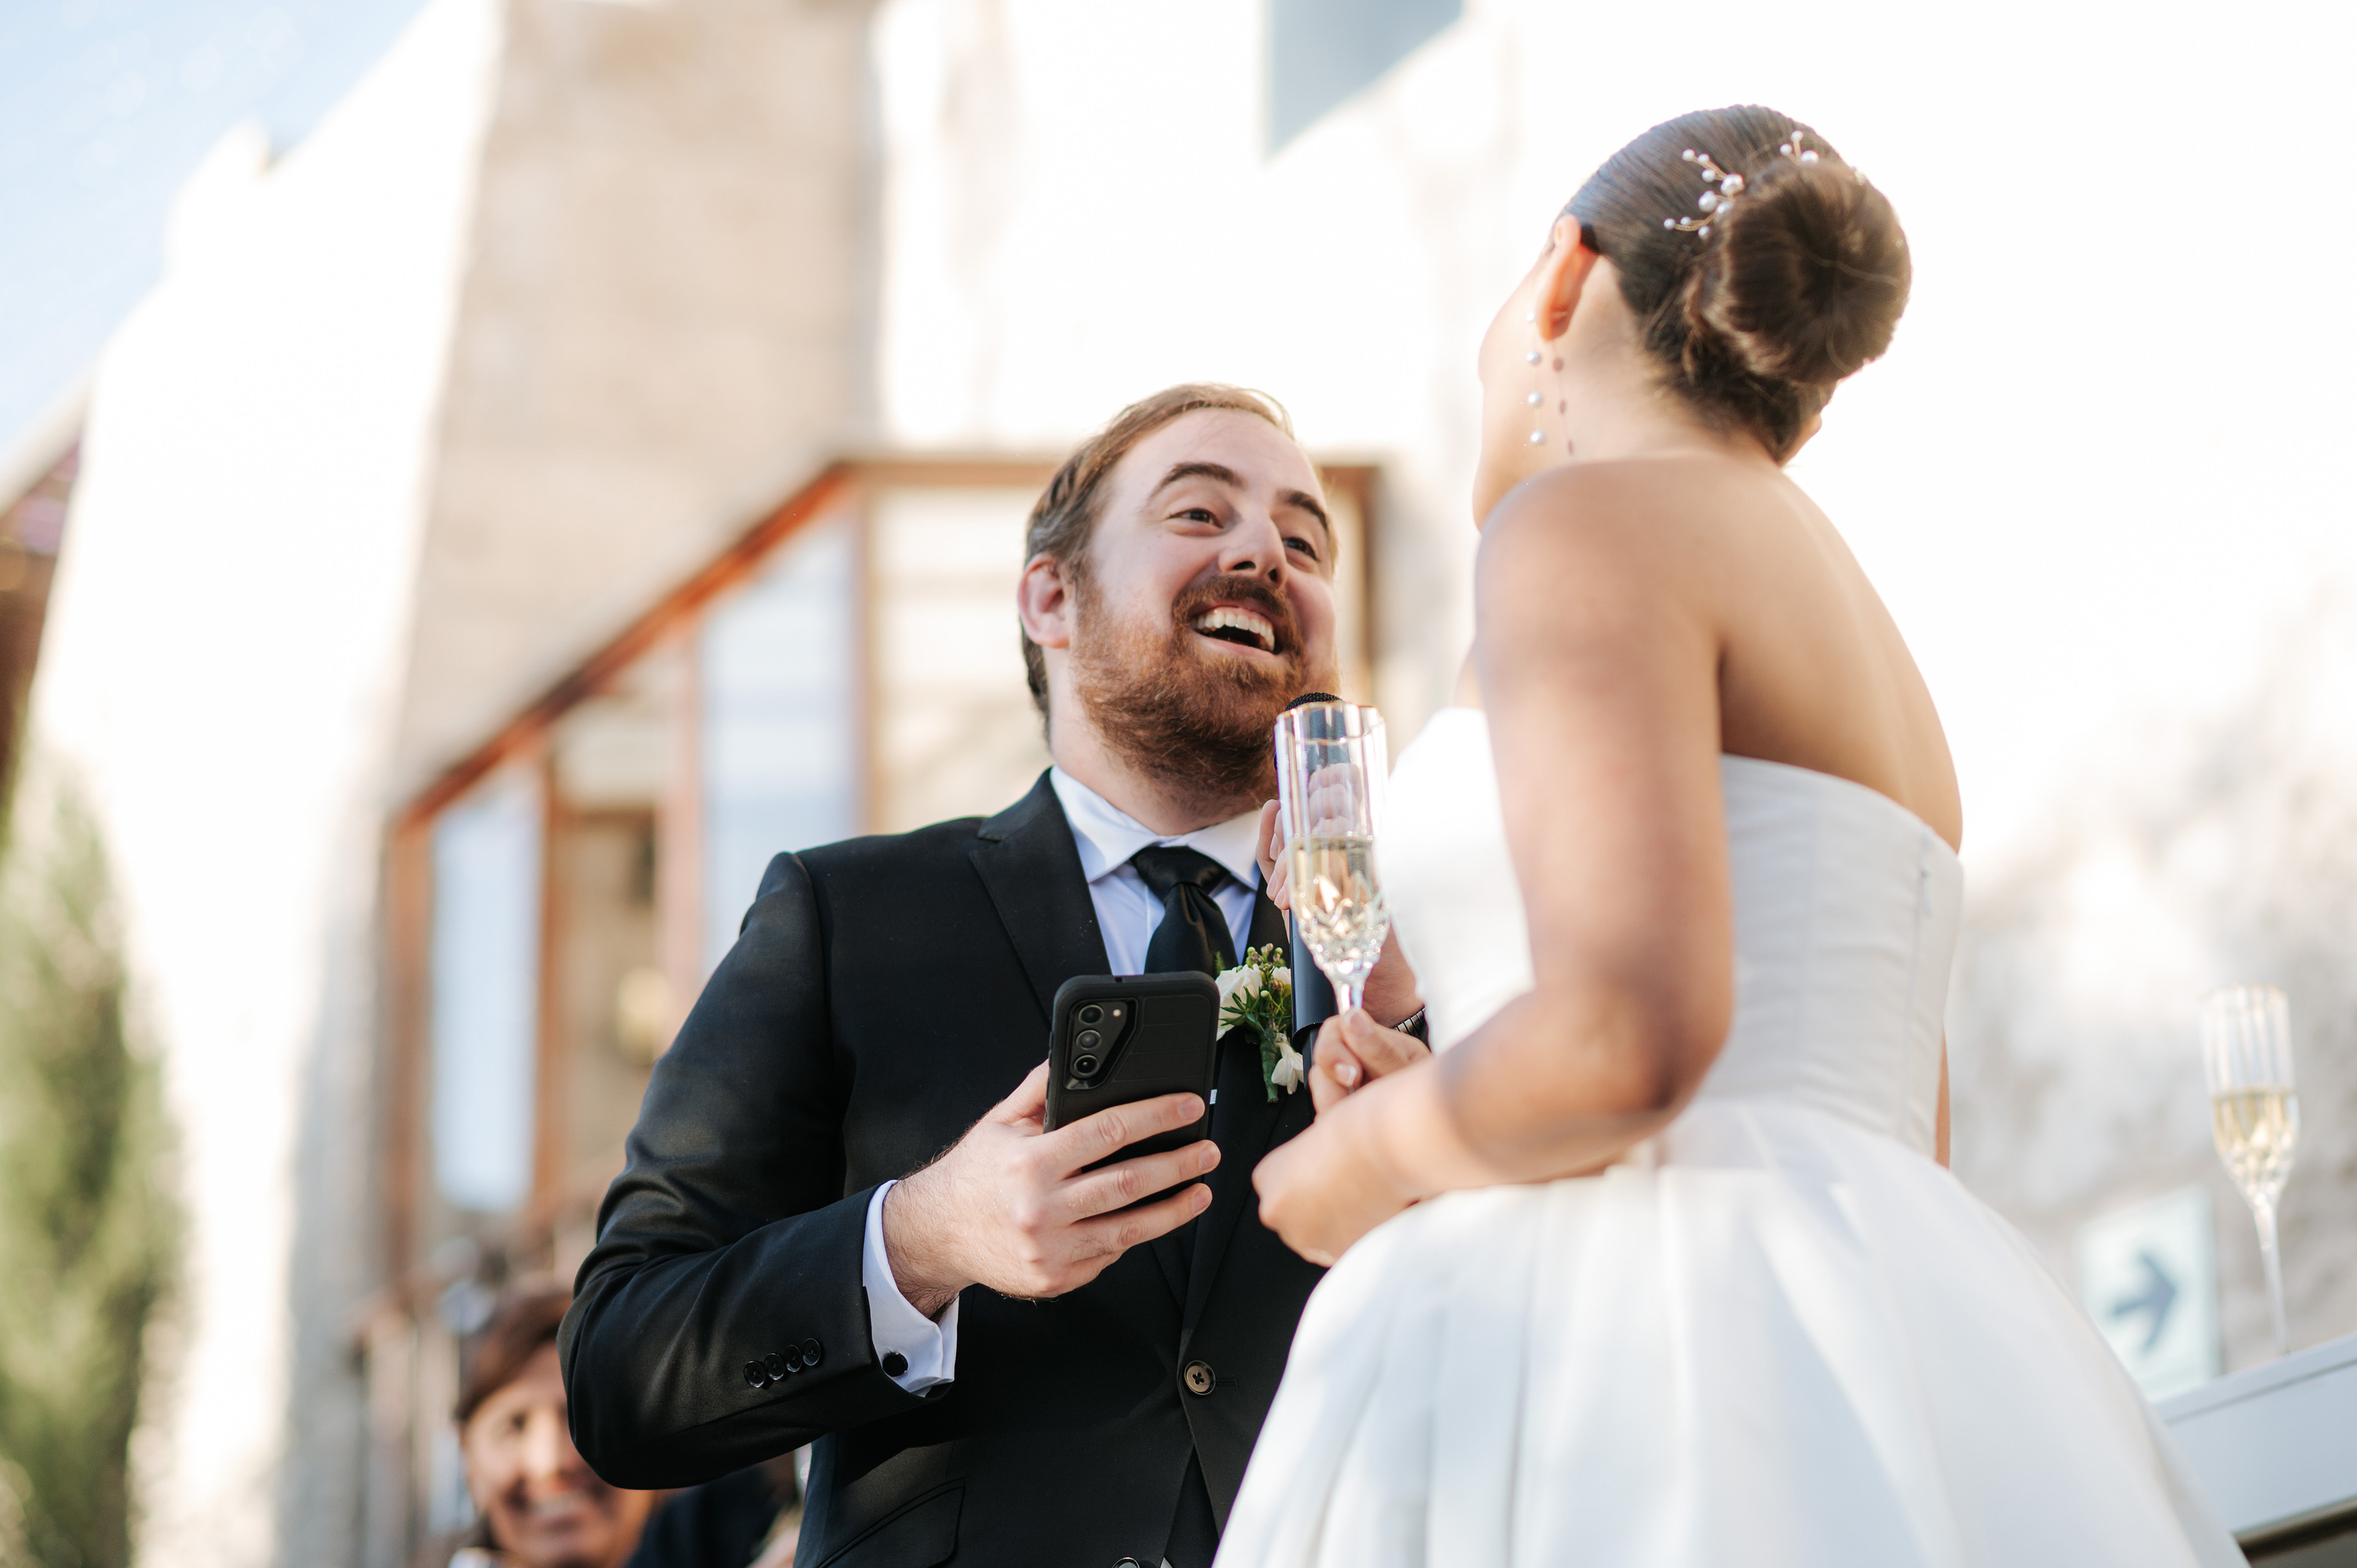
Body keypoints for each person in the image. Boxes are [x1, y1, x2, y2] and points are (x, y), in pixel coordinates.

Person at [1219, 106, 2244, 1566]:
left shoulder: (1580, 525)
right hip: (1879, 1308)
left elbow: (1626, 1037)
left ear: (1562, 276)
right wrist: (1469, 1091)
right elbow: (1880, 1108)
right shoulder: (1866, 635)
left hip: (1622, 1357)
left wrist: (1362, 1159)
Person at [560, 385, 1428, 1568]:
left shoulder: (1410, 947)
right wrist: (922, 1241)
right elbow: (622, 1374)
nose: (1264, 554)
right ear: (1050, 598)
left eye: (1307, 540)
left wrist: (1421, 1072)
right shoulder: (846, 918)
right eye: (1198, 511)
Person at [452, 1284, 791, 1568]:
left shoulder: (786, 1536)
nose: (551, 1463)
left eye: (585, 1418)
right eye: (512, 1428)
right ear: (467, 1456)